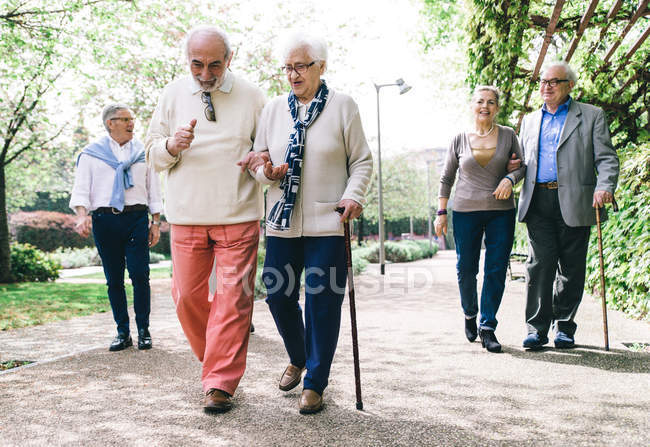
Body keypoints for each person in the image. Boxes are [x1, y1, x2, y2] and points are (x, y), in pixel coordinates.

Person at [239, 32, 372, 414]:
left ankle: (315, 382)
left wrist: (354, 195)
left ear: (321, 67)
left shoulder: (343, 107)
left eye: (301, 66)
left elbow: (361, 161)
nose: (293, 75)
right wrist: (268, 171)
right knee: (277, 294)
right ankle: (299, 356)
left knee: (321, 303)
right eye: (288, 68)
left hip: (328, 222)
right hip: (283, 220)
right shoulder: (274, 110)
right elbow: (260, 166)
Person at [145, 25, 266, 413]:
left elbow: (266, 152)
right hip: (186, 215)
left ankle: (219, 383)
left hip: (238, 213)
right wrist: (170, 146)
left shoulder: (252, 97)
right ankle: (216, 361)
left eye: (215, 64)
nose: (206, 73)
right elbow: (151, 152)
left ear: (229, 60)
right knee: (185, 298)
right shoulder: (172, 94)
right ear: (188, 60)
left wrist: (261, 163)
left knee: (234, 299)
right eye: (197, 64)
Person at [516, 61, 619, 350]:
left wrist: (604, 186)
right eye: (543, 82)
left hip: (577, 199)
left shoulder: (591, 115)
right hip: (538, 200)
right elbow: (523, 161)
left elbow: (607, 158)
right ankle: (536, 329)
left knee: (571, 268)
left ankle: (564, 326)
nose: (546, 87)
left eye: (553, 81)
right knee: (539, 266)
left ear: (569, 85)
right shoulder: (530, 121)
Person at [435, 86, 525, 353]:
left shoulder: (508, 135)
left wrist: (510, 178)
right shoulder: (459, 139)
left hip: (501, 211)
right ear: (472, 105)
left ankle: (488, 327)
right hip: (465, 211)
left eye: (491, 102)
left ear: (497, 107)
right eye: (480, 101)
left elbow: (521, 166)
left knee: (496, 269)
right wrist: (441, 213)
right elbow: (446, 178)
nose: (485, 106)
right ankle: (470, 314)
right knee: (466, 268)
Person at [70, 104, 162, 352]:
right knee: (114, 280)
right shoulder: (91, 154)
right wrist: (81, 216)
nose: (132, 123)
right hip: (105, 220)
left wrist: (156, 222)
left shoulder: (144, 152)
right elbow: (82, 189)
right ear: (111, 123)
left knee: (140, 274)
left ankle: (144, 330)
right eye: (125, 119)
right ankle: (123, 332)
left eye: (132, 119)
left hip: (136, 219)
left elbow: (154, 189)